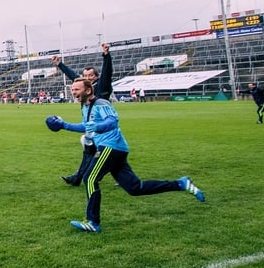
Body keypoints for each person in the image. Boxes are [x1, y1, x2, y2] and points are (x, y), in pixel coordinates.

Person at [44, 78, 205, 233]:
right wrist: (64, 125)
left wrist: (98, 127)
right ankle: (181, 184)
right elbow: (87, 126)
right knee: (135, 188)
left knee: (90, 179)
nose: (73, 92)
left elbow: (112, 121)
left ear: (87, 90)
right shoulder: (85, 107)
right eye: (72, 89)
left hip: (110, 146)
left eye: (76, 89)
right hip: (116, 148)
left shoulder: (101, 103)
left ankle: (93, 222)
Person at [52, 42, 113, 186]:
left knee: (101, 154)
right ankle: (78, 178)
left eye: (91, 75)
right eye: (85, 75)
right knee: (90, 153)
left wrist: (106, 55)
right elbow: (72, 75)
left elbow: (107, 72)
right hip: (91, 126)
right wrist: (59, 64)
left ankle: (84, 177)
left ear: (96, 77)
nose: (88, 78)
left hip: (101, 126)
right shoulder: (83, 87)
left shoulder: (101, 85)